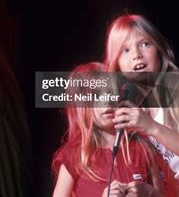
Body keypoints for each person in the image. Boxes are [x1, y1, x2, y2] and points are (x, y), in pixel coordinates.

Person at [105, 14, 179, 195]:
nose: (137, 55)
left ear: (159, 50)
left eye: (145, 44)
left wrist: (151, 126)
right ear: (118, 65)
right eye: (125, 50)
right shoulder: (145, 109)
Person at [52, 62, 167, 197]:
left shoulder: (143, 147)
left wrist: (149, 192)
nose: (106, 101)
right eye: (96, 96)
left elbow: (164, 194)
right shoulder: (74, 156)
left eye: (110, 93)